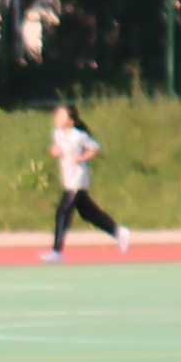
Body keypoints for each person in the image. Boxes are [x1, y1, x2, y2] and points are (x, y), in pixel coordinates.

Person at [43, 105, 128, 260]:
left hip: (79, 178)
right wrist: (55, 151)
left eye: (61, 115)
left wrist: (81, 158)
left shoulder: (79, 136)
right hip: (67, 177)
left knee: (63, 211)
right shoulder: (57, 133)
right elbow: (56, 148)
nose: (57, 118)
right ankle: (118, 231)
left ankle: (56, 252)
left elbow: (95, 148)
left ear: (71, 121)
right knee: (87, 213)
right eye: (57, 115)